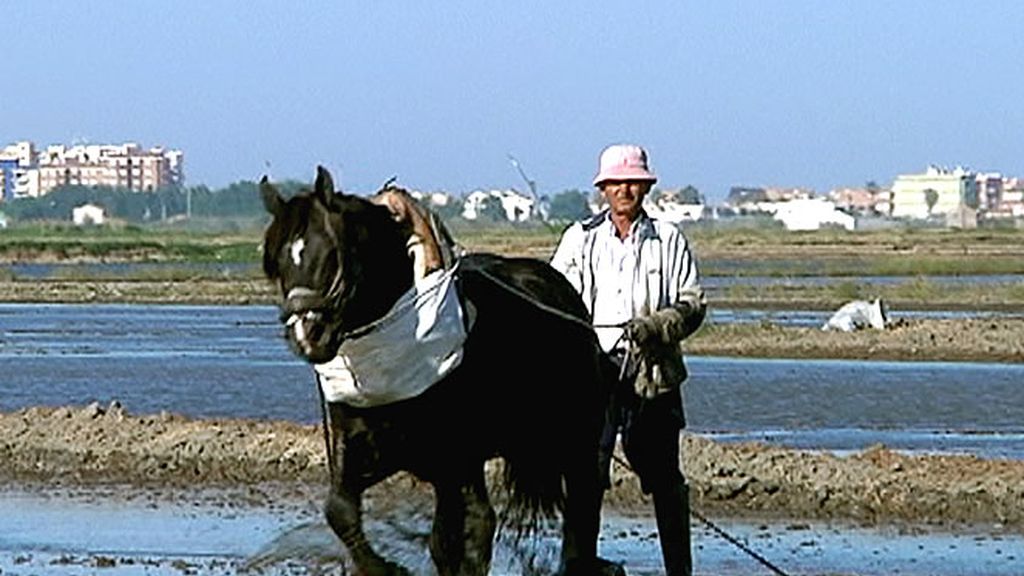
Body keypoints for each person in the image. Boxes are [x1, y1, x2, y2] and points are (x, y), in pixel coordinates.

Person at [551, 143, 706, 576]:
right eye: (617, 182)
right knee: (586, 475)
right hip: (592, 375)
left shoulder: (669, 239)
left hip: (652, 373)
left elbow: (692, 305)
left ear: (645, 187)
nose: (625, 189)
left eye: (633, 181)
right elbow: (560, 301)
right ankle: (577, 567)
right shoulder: (578, 239)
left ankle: (680, 570)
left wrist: (654, 328)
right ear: (603, 189)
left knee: (664, 478)